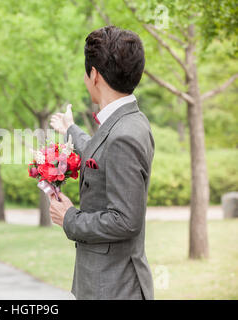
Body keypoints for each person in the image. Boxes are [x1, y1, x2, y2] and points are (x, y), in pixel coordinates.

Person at [49, 26, 154, 300]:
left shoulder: (125, 133)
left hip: (114, 287)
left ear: (94, 74)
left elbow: (125, 220)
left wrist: (70, 218)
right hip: (104, 282)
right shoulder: (127, 121)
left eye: (86, 73)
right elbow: (100, 155)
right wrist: (71, 129)